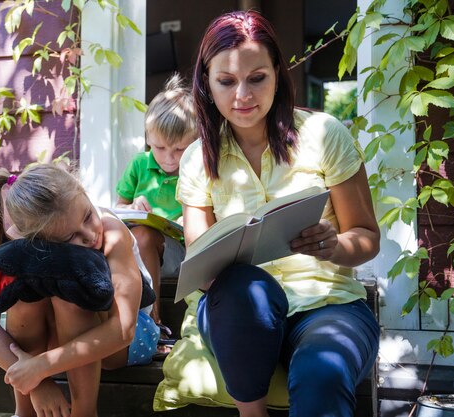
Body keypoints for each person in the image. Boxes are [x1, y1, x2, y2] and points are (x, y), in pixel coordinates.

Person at [176, 10, 381, 417]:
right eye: (226, 82)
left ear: (277, 74)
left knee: (322, 373)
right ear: (206, 83)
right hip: (240, 315)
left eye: (257, 78)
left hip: (328, 306)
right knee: (239, 287)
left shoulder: (325, 134)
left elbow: (366, 237)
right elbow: (200, 266)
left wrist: (333, 245)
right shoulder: (197, 159)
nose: (243, 96)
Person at [0, 164, 160, 417]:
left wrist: (40, 366)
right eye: (69, 237)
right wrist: (36, 382)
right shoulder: (21, 248)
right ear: (37, 241)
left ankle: (84, 413)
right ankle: (25, 412)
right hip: (59, 345)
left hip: (130, 337)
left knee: (70, 298)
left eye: (87, 216)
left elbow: (124, 330)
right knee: (25, 298)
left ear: (83, 192)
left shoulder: (113, 234)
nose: (90, 235)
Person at [115, 73, 196, 346]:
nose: (168, 158)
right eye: (159, 147)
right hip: (144, 252)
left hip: (184, 252)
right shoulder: (139, 165)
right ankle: (151, 322)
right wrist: (132, 206)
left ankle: (166, 323)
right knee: (141, 235)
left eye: (179, 149)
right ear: (148, 138)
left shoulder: (198, 167)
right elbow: (119, 206)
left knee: (145, 236)